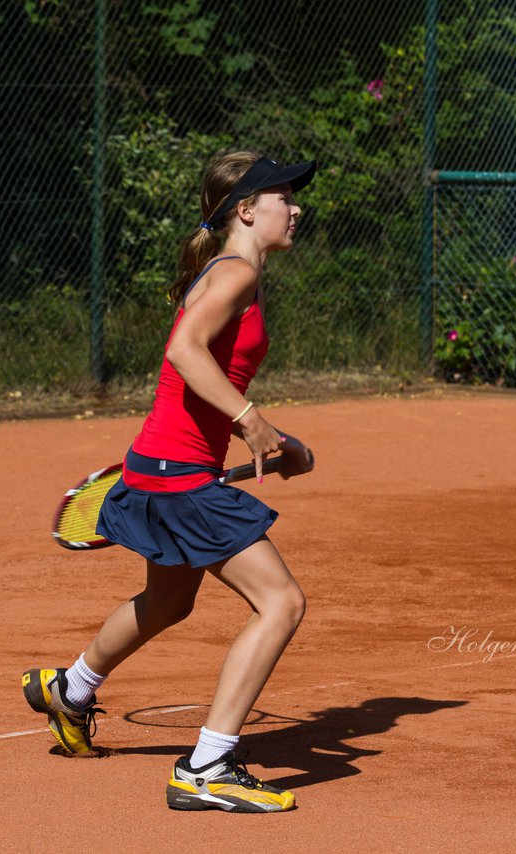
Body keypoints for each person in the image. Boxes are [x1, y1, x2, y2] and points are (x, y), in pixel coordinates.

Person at [22, 151, 318, 813]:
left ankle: (69, 689)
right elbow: (184, 351)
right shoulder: (237, 271)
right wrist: (250, 422)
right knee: (282, 604)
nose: (295, 207)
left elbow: (213, 373)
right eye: (283, 196)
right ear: (245, 209)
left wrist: (282, 444)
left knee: (168, 603)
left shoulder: (233, 271)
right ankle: (207, 766)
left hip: (165, 466)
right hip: (179, 476)